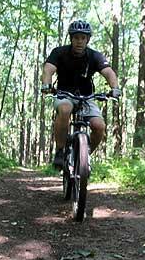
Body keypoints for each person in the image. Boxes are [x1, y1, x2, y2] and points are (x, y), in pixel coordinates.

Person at [41, 19, 121, 168]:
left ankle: (84, 156)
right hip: (64, 94)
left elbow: (108, 72)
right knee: (65, 110)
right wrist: (47, 84)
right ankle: (60, 151)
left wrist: (115, 88)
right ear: (71, 38)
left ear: (87, 39)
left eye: (83, 38)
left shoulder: (94, 56)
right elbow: (48, 69)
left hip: (87, 97)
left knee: (99, 126)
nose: (79, 41)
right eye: (76, 37)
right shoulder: (59, 52)